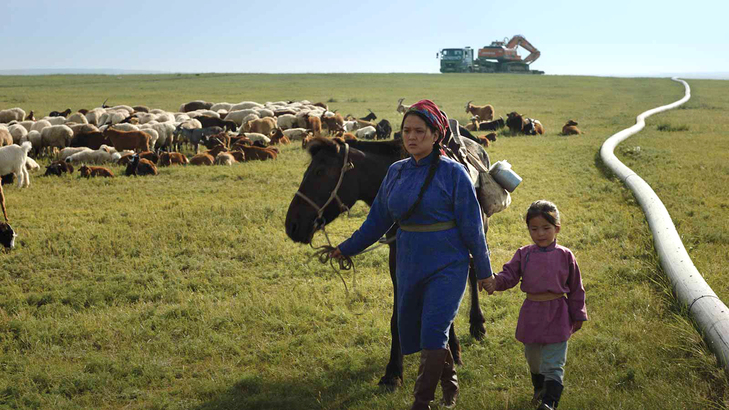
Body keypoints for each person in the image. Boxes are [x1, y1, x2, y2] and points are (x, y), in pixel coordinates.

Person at [330, 99, 494, 410]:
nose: (412, 136)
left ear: (436, 135)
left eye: (420, 131)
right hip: (409, 263)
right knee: (418, 331)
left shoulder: (454, 173)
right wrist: (346, 248)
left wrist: (484, 272)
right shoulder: (395, 172)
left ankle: (422, 402)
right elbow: (376, 220)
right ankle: (450, 382)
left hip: (448, 263)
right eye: (407, 131)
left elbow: (473, 228)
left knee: (433, 329)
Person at [483, 200, 587, 410]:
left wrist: (578, 315)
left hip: (558, 313)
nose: (540, 234)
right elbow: (509, 276)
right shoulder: (524, 254)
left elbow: (576, 288)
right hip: (532, 313)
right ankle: (539, 390)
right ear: (529, 229)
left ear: (557, 228)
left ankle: (549, 403)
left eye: (546, 228)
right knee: (534, 360)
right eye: (534, 229)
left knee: (554, 363)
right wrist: (495, 282)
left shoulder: (565, 255)